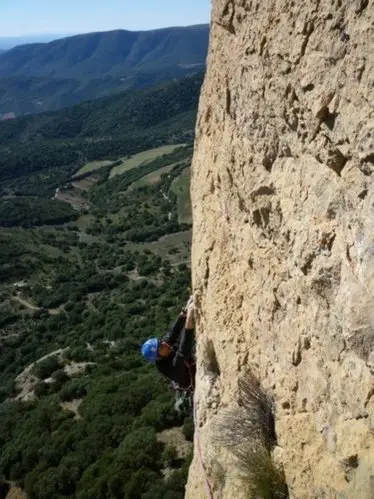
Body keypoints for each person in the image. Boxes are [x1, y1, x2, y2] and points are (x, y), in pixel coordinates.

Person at [141, 296, 196, 392]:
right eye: (161, 346)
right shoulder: (169, 368)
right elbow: (183, 353)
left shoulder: (164, 349)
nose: (165, 344)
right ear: (158, 357)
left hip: (191, 363)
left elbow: (172, 333)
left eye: (161, 342)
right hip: (195, 380)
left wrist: (184, 312)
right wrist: (189, 318)